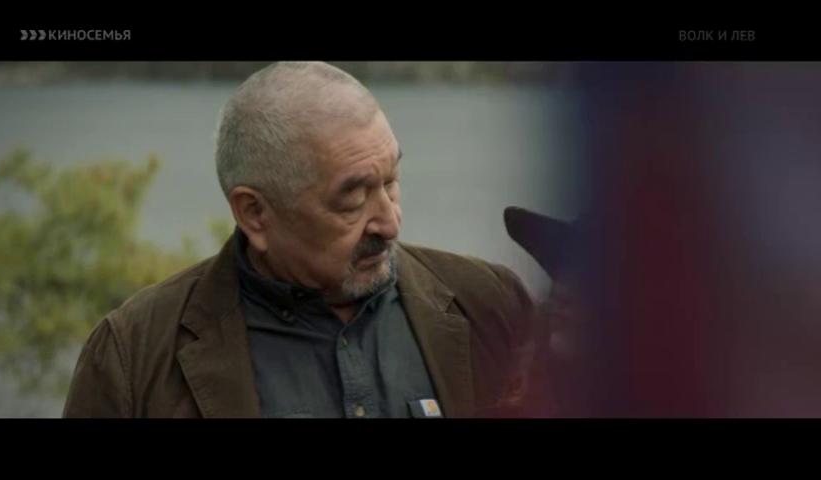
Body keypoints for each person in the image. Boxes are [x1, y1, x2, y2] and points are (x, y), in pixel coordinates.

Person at [63, 61, 551, 418]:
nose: (389, 222)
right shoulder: (134, 356)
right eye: (352, 199)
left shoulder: (490, 304)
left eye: (390, 183)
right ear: (255, 213)